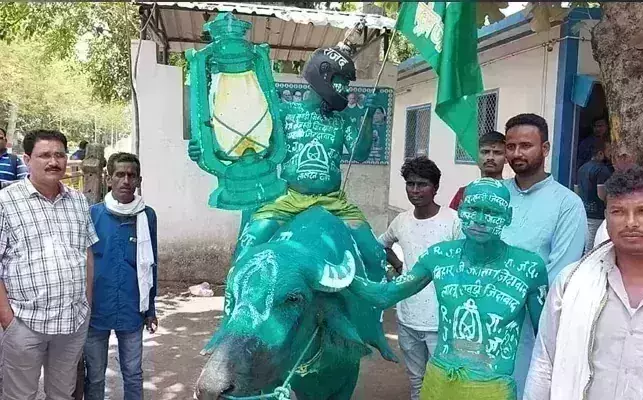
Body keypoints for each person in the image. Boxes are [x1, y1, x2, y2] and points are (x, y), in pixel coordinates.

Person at [189, 45, 385, 282]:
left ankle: (373, 309)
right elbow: (247, 144)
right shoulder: (283, 113)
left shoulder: (341, 121)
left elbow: (360, 153)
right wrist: (205, 150)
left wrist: (369, 113)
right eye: (341, 81)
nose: (345, 89)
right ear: (323, 76)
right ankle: (236, 303)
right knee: (248, 246)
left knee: (374, 254)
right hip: (287, 198)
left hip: (334, 202)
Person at [350, 178, 548, 399]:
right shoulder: (440, 256)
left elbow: (546, 338)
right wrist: (344, 277)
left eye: (492, 212)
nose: (480, 220)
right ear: (461, 210)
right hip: (439, 381)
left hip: (492, 388)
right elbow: (385, 295)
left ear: (508, 216)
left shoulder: (528, 268)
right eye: (473, 209)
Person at [525, 166, 643, 399]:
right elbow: (544, 362)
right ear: (606, 218)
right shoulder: (572, 282)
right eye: (618, 211)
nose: (631, 222)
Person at [0, 129, 98, 400]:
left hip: (71, 322)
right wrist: (8, 320)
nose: (53, 162)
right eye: (44, 155)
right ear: (27, 159)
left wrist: (86, 304)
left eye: (59, 155)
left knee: (62, 394)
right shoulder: (6, 202)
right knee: (20, 396)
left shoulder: (78, 202)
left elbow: (87, 252)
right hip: (24, 322)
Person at [500, 113, 587, 399]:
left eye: (526, 145)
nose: (516, 153)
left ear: (545, 149)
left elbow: (561, 273)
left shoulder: (567, 204)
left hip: (533, 324)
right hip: (486, 321)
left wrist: (509, 297)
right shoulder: (495, 196)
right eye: (510, 146)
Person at [380, 156, 462, 400]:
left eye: (422, 184)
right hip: (407, 318)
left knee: (444, 384)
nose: (415, 190)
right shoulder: (401, 221)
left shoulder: (453, 221)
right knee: (417, 382)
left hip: (442, 322)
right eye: (410, 184)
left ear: (435, 188)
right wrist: (400, 267)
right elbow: (381, 245)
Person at [84, 152, 158, 400]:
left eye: (131, 175)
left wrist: (151, 309)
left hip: (131, 308)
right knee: (94, 375)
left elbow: (151, 264)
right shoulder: (93, 214)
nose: (126, 180)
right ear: (109, 179)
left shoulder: (146, 216)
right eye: (120, 174)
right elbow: (81, 263)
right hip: (96, 309)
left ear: (138, 180)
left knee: (133, 373)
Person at [450, 131, 506, 210]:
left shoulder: (511, 192)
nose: (490, 157)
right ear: (476, 156)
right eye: (485, 152)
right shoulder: (464, 193)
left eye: (497, 153)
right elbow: (452, 220)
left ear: (506, 158)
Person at [576, 138, 612, 249]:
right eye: (609, 150)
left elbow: (576, 189)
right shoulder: (602, 170)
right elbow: (601, 193)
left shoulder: (581, 168)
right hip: (597, 214)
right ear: (601, 153)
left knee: (583, 244)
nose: (611, 154)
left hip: (584, 211)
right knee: (592, 247)